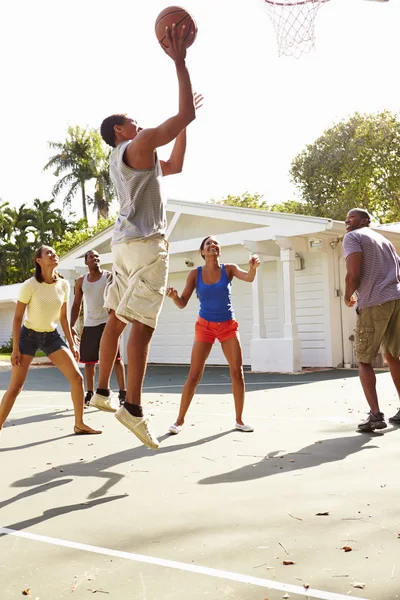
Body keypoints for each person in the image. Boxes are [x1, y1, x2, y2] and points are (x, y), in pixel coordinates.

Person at [90, 24, 201, 450]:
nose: (137, 122)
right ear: (119, 130)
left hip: (122, 246)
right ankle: (131, 407)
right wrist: (180, 62)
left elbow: (175, 164)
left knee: (117, 318)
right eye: (130, 121)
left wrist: (186, 121)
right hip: (147, 245)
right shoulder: (134, 146)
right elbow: (182, 117)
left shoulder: (134, 159)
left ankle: (101, 390)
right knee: (143, 326)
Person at [0, 246, 101, 437]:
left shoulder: (63, 285)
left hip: (52, 337)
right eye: (49, 253)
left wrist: (72, 343)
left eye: (55, 253)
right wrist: (15, 349)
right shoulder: (29, 285)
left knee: (77, 378)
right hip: (28, 337)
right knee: (15, 387)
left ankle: (79, 424)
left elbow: (63, 318)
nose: (54, 255)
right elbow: (17, 317)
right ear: (39, 260)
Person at [166, 236, 260, 434]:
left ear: (219, 251)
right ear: (202, 252)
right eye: (208, 244)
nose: (212, 245)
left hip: (228, 326)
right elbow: (182, 302)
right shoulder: (195, 274)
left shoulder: (229, 269)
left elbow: (249, 278)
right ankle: (179, 421)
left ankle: (239, 420)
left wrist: (252, 268)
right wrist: (175, 297)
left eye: (215, 243)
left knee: (237, 372)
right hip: (205, 327)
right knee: (194, 375)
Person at [343, 208, 400, 432]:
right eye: (346, 218)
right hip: (396, 300)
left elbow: (353, 273)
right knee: (392, 355)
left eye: (352, 217)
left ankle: (375, 416)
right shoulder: (384, 240)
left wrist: (349, 295)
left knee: (364, 359)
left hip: (374, 302)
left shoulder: (353, 237)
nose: (347, 220)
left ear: (365, 220)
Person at [70, 249, 126, 407]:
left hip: (109, 323)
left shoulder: (109, 276)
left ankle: (123, 393)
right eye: (91, 257)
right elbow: (76, 305)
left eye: (97, 256)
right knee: (89, 362)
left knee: (116, 359)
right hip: (90, 324)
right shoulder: (81, 281)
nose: (95, 258)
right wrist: (71, 325)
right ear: (86, 262)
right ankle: (90, 393)